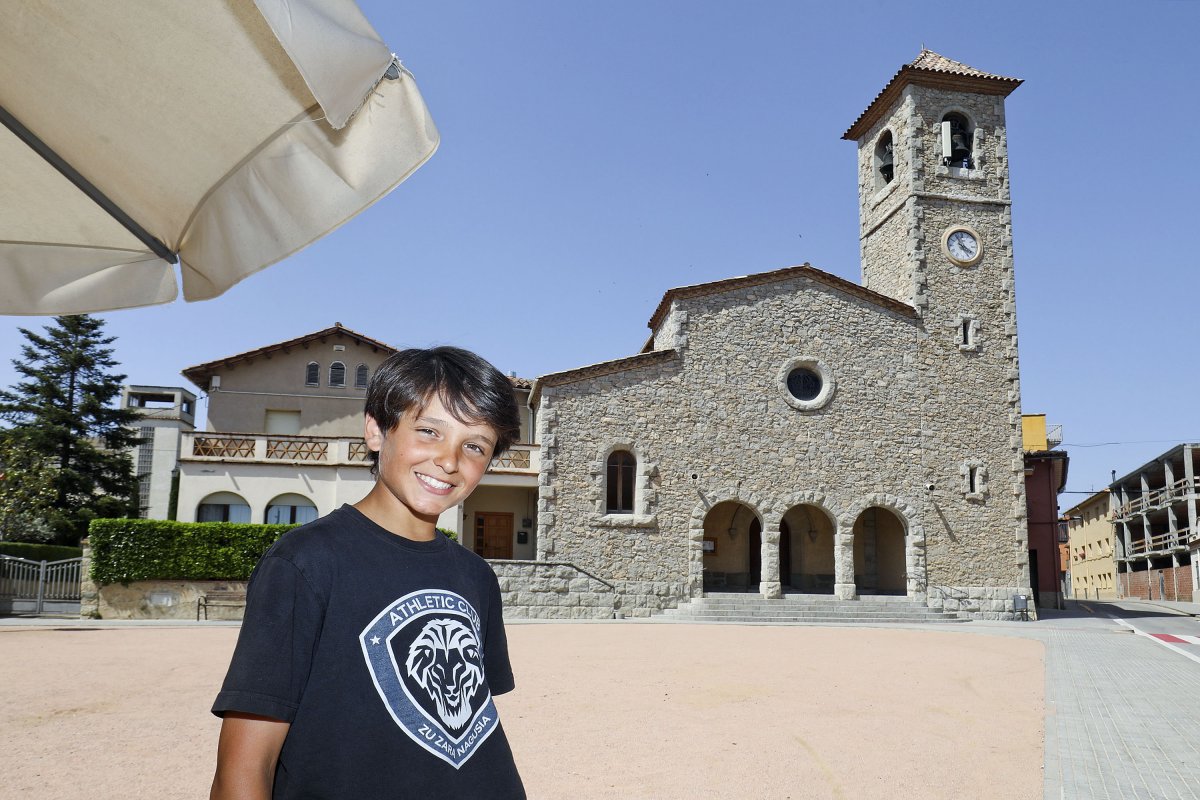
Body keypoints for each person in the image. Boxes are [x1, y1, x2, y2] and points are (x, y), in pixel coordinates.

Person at [209, 346, 526, 799]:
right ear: (376, 430)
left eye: (474, 446)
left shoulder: (476, 577)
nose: (450, 460)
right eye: (429, 431)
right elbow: (243, 767)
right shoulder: (304, 563)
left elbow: (467, 725)